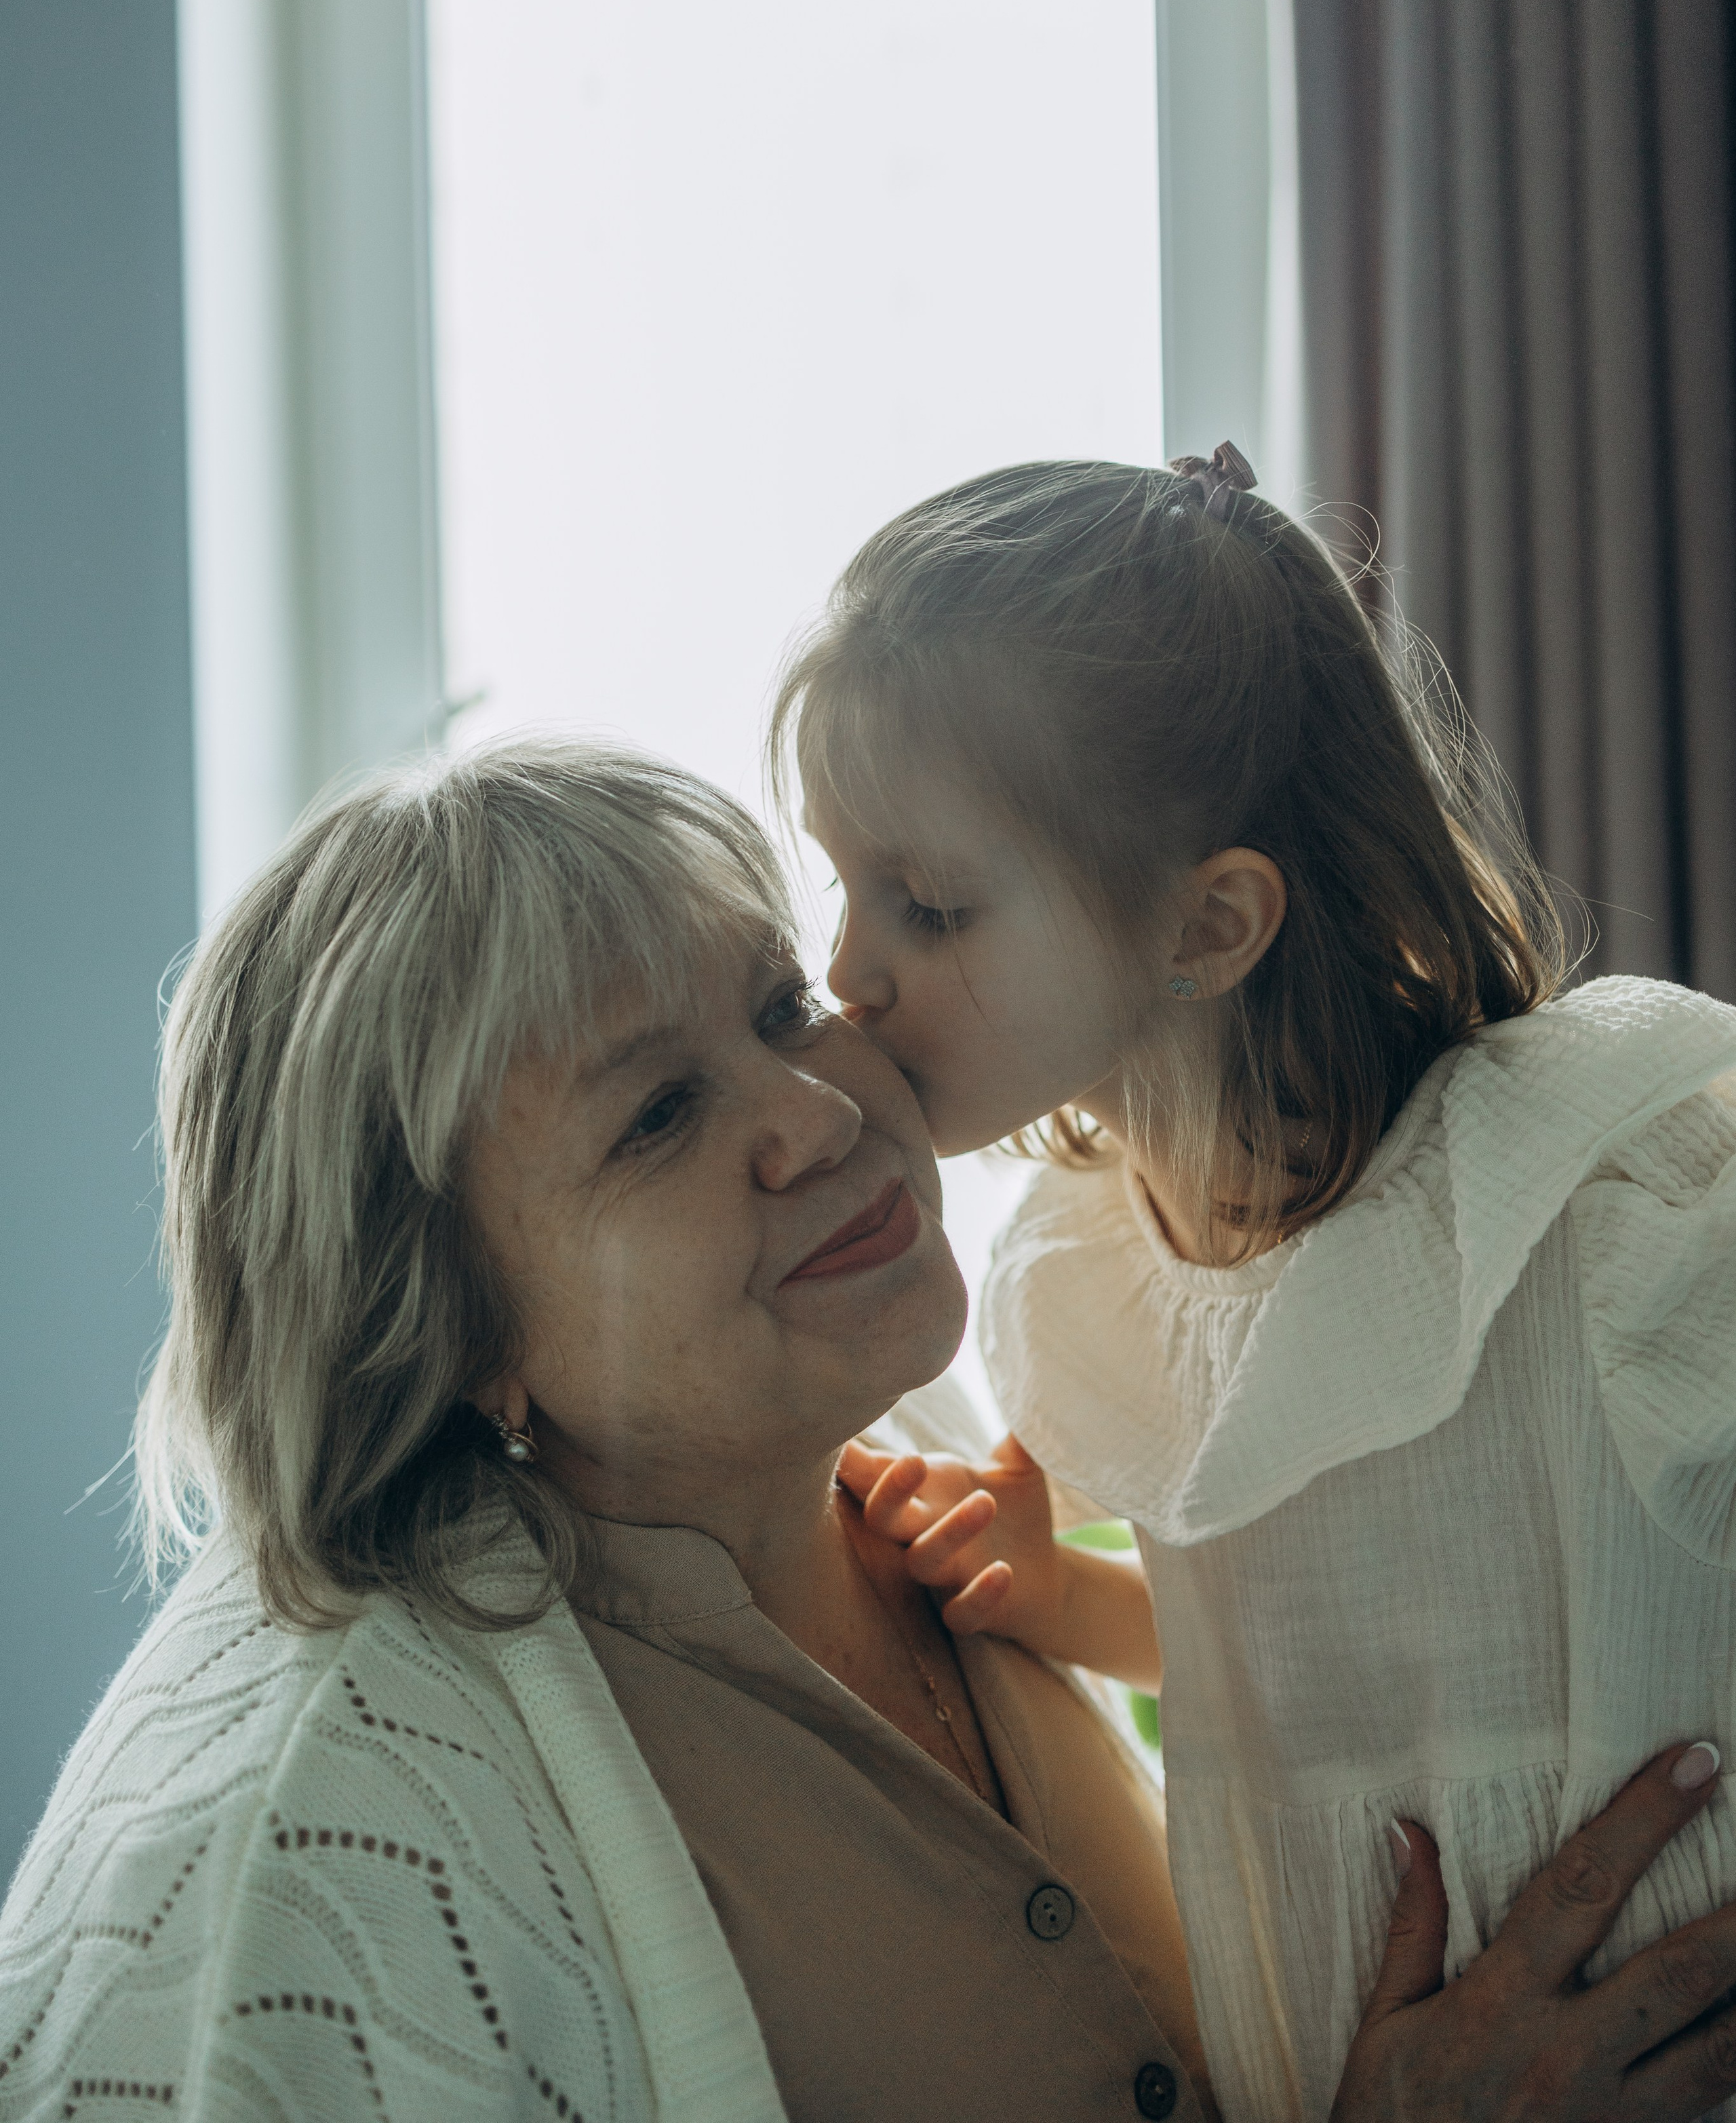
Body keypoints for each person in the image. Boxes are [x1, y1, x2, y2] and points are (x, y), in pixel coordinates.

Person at [2, 740, 1734, 2123]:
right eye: (658, 1114)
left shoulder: (930, 1445)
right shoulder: (338, 1839)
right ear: (447, 1330)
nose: (818, 1110)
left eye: (779, 1006)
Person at [781, 452, 1736, 2122]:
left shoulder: (1604, 1200)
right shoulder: (1087, 1270)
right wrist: (1063, 1597)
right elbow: (1319, 1655)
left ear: (1207, 926)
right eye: (842, 881)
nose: (846, 972)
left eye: (926, 905)